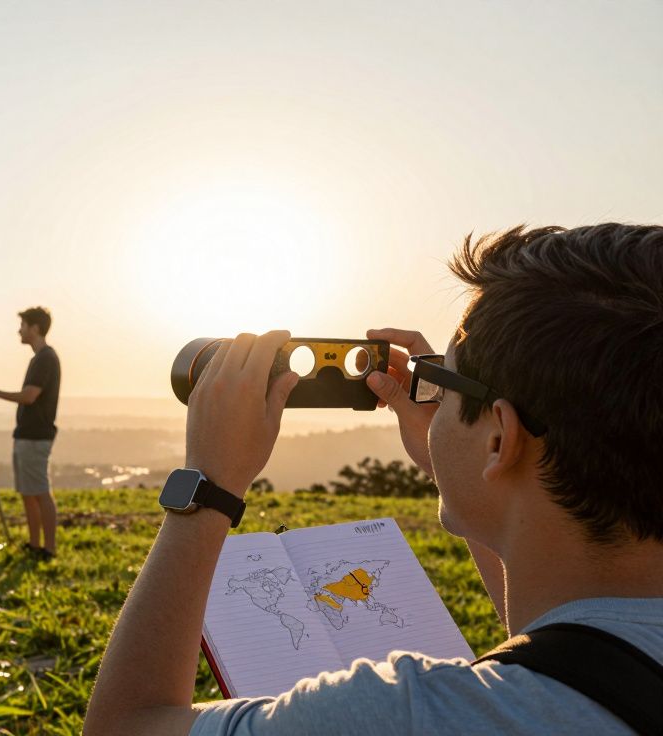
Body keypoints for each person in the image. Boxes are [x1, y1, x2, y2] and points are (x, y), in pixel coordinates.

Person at [83, 224, 663, 735]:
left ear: (499, 439)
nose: (430, 393)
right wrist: (466, 465)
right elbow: (569, 651)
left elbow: (126, 726)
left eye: (445, 382)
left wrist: (208, 483)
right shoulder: (578, 675)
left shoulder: (410, 713)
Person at [0, 306, 61, 560]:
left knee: (39, 491)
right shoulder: (39, 358)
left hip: (36, 435)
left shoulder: (45, 358)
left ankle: (48, 549)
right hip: (27, 435)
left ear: (34, 328)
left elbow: (29, 396)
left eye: (23, 325)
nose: (19, 330)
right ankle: (35, 545)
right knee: (28, 492)